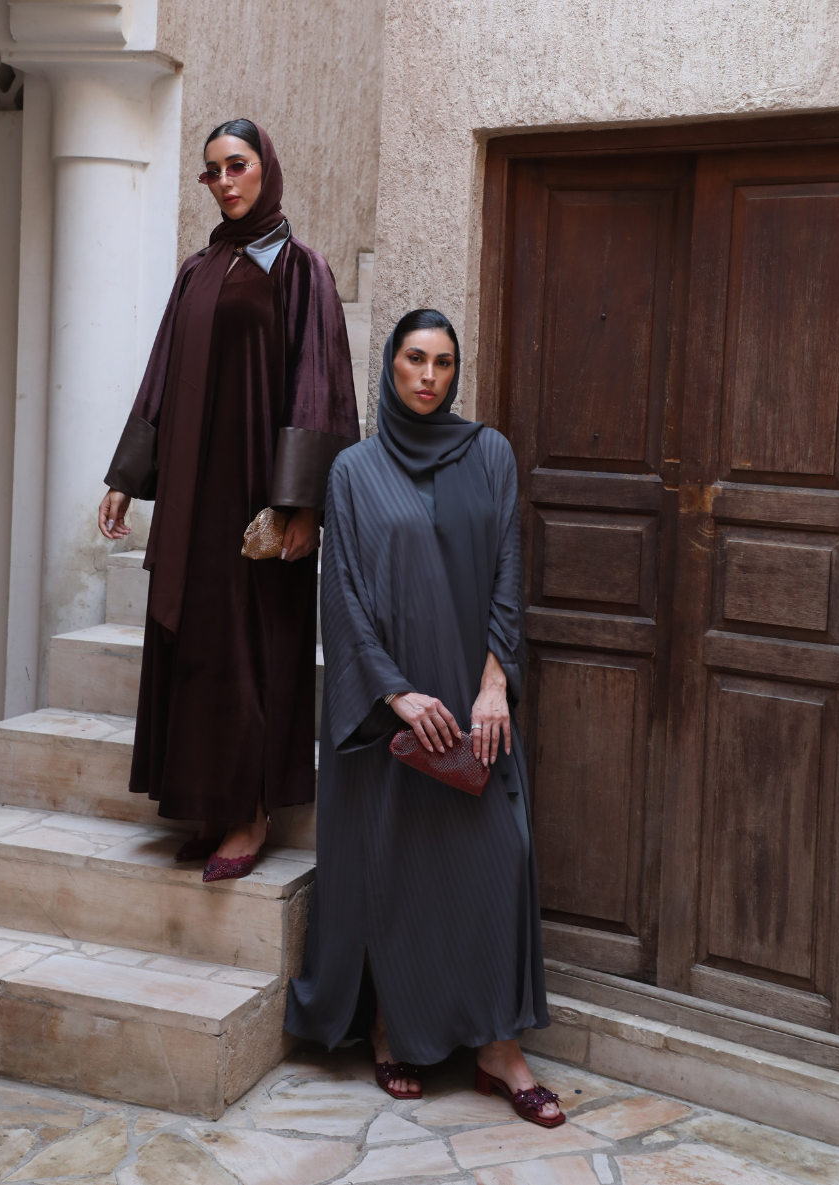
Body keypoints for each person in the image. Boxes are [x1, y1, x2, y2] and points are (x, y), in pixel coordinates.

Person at [284, 309, 563, 1126]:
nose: (428, 377)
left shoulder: (489, 452)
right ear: (390, 364)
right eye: (414, 359)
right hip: (393, 718)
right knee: (393, 871)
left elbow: (507, 569)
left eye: (442, 362)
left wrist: (494, 682)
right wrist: (395, 693)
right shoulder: (353, 470)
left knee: (502, 855)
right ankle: (387, 1027)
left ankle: (499, 1048)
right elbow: (341, 595)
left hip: (474, 709)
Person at [98, 119, 359, 881]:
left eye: (236, 165)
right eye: (211, 171)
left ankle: (250, 813)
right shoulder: (197, 269)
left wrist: (302, 505)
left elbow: (318, 385)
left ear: (264, 167)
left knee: (250, 649)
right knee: (197, 647)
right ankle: (207, 803)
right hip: (193, 492)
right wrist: (125, 475)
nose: (224, 182)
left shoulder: (301, 269)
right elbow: (161, 373)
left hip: (256, 496)